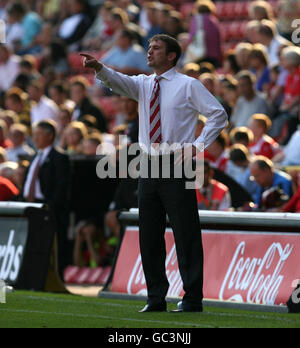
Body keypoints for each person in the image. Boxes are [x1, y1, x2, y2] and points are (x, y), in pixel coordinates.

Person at [81, 33, 227, 313]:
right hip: (148, 164)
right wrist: (99, 68)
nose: (150, 52)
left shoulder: (188, 85)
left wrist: (197, 146)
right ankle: (155, 297)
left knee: (185, 232)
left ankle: (193, 298)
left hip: (178, 162)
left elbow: (218, 114)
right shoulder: (145, 85)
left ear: (172, 56)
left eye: (156, 48)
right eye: (149, 48)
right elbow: (119, 81)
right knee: (149, 234)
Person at [22, 120, 70, 278]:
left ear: (50, 136)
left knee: (51, 246)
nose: (34, 138)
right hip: (30, 205)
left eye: (38, 134)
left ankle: (54, 277)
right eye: (34, 134)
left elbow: (62, 185)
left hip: (47, 208)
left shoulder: (59, 157)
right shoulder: (35, 156)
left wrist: (51, 207)